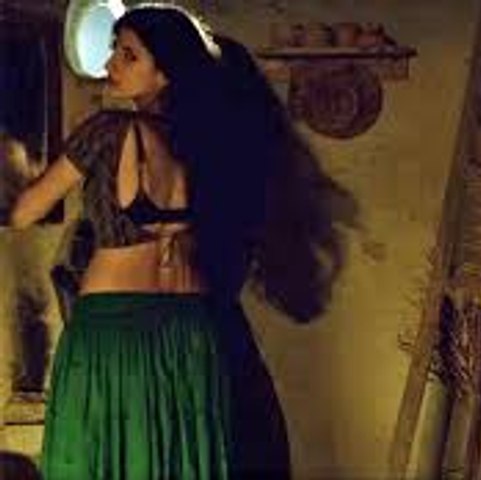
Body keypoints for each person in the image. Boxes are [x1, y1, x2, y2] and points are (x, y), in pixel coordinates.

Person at [10, 3, 355, 478]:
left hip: (116, 333)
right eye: (114, 50)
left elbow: (25, 211)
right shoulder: (216, 142)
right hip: (192, 332)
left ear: (166, 72)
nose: (110, 64)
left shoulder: (107, 130)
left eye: (128, 54)